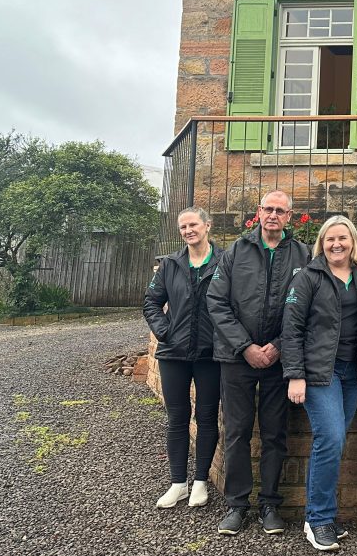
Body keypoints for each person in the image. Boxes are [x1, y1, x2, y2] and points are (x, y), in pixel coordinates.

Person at [207, 190, 311, 536]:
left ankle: (269, 504)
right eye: (268, 209)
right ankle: (237, 505)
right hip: (236, 358)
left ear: (289, 216)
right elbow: (216, 302)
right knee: (236, 432)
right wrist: (245, 346)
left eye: (280, 210)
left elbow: (309, 306)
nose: (273, 215)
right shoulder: (236, 251)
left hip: (279, 360)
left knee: (275, 434)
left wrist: (279, 346)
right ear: (258, 212)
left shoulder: (303, 254)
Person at [282, 216, 357, 551]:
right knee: (331, 438)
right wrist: (295, 374)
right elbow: (291, 329)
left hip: (354, 373)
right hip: (321, 372)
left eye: (343, 238)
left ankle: (322, 515)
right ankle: (318, 519)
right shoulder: (307, 277)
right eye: (330, 239)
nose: (337, 244)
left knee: (333, 443)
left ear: (353, 242)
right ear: (321, 244)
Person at [143, 206, 224, 510]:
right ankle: (178, 483)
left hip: (210, 355)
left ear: (207, 225)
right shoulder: (170, 264)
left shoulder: (224, 262)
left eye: (193, 225)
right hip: (173, 354)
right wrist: (165, 331)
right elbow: (151, 303)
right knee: (177, 418)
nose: (188, 231)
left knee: (206, 416)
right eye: (183, 227)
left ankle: (200, 481)